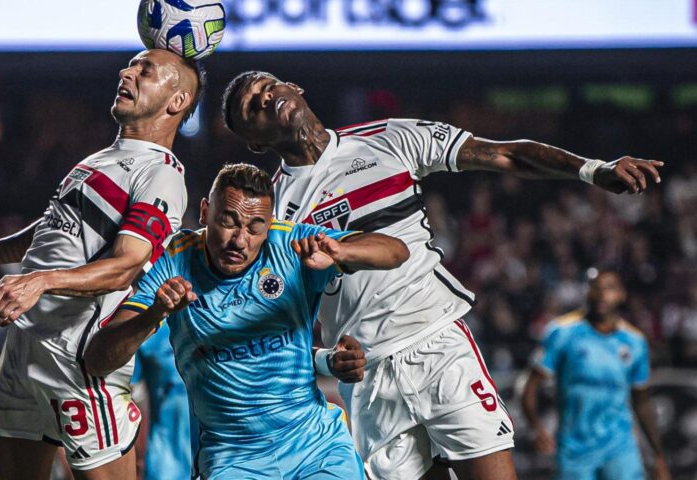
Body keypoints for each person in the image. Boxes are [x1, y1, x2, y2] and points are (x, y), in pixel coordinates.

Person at [220, 70, 665, 480]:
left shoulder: (389, 138)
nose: (264, 97)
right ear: (255, 142)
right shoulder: (271, 211)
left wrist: (592, 169)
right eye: (250, 107)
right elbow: (271, 323)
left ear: (295, 88)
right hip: (367, 374)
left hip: (435, 344)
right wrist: (323, 359)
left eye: (266, 84)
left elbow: (505, 156)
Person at [0, 48, 203, 480]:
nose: (127, 72)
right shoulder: (99, 160)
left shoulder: (161, 174)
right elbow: (52, 231)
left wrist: (38, 282)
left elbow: (126, 265)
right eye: (131, 64)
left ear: (177, 101)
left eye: (144, 70)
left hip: (77, 362)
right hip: (23, 354)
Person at [86, 163, 409, 479]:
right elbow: (99, 359)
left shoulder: (290, 245)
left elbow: (396, 252)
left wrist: (341, 251)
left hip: (315, 445)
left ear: (268, 225)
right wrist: (154, 314)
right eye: (228, 222)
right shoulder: (176, 260)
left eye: (255, 228)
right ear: (204, 212)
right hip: (232, 457)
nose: (240, 241)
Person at [521, 269, 671, 480]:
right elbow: (529, 385)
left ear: (621, 294)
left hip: (619, 448)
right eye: (595, 287)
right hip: (574, 449)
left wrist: (658, 457)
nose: (601, 294)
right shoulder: (562, 332)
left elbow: (641, 401)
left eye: (609, 288)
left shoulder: (635, 342)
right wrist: (535, 427)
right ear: (586, 291)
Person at [131, 323, 191, 480]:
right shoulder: (149, 325)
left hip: (223, 454)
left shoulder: (223, 316)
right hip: (166, 462)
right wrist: (137, 459)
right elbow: (130, 400)